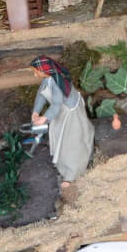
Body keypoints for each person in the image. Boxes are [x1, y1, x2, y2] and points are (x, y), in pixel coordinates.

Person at [29, 56, 95, 188]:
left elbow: (56, 104)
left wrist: (45, 118)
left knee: (71, 143)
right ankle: (63, 164)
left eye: (36, 71)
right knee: (60, 138)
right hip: (60, 113)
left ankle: (72, 173)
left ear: (45, 71)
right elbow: (41, 96)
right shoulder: (47, 80)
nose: (35, 74)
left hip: (70, 114)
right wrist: (36, 111)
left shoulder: (57, 82)